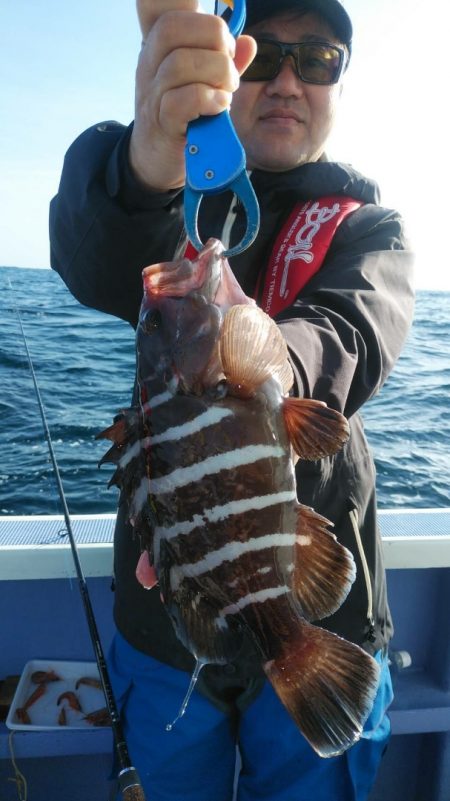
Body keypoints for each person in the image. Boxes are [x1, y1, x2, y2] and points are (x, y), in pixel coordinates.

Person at [49, 0, 415, 799]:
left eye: (316, 59)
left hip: (323, 622)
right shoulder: (169, 206)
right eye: (264, 57)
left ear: (339, 85)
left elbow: (348, 342)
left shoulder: (369, 230)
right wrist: (146, 162)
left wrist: (261, 357)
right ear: (231, 71)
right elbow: (92, 249)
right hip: (165, 628)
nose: (287, 79)